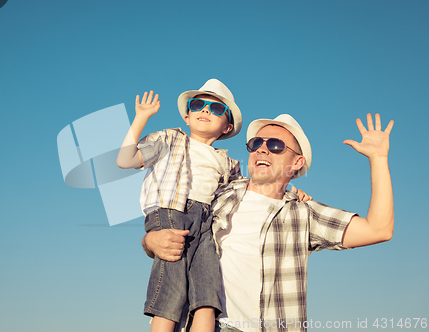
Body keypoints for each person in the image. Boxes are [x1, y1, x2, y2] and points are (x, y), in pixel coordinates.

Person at [143, 113, 394, 332]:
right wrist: (149, 241)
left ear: (297, 163)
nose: (262, 149)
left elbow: (379, 230)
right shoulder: (218, 194)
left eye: (275, 145)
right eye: (256, 144)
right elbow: (175, 218)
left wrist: (378, 158)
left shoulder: (303, 214)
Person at [117, 79, 243, 332]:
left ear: (227, 127)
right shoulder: (168, 139)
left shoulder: (229, 163)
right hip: (171, 213)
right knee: (171, 290)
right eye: (198, 104)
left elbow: (248, 196)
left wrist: (296, 195)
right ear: (187, 117)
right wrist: (141, 117)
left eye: (216, 109)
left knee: (208, 295)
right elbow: (124, 159)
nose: (205, 110)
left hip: (207, 224)